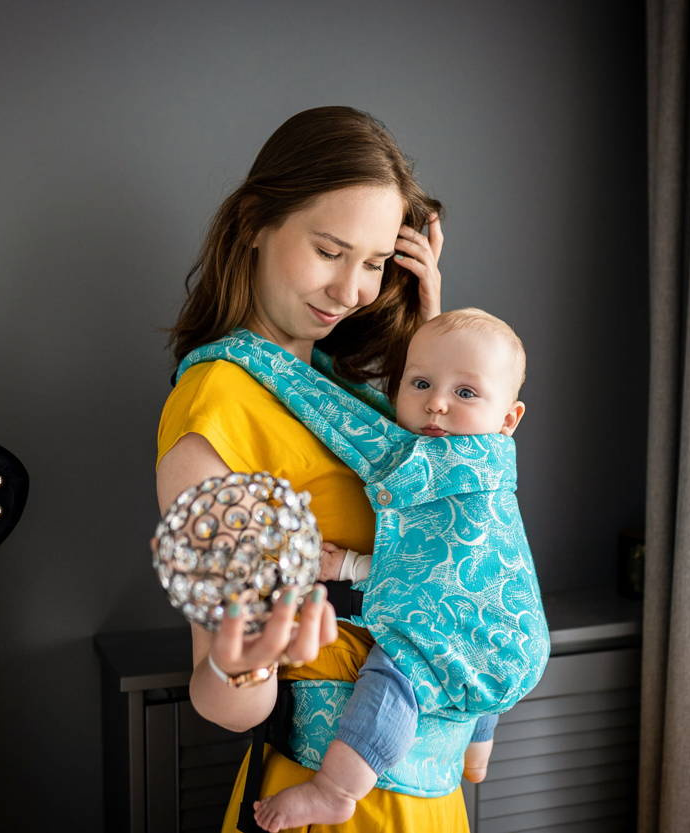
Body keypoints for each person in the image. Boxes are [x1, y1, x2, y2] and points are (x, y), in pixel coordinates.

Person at [155, 105, 461, 832]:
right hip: (330, 805)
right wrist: (248, 660)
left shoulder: (344, 394)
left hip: (426, 798)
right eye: (330, 250)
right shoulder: (216, 406)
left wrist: (433, 333)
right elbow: (226, 702)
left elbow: (458, 521)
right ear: (255, 223)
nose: (352, 291)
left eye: (375, 263)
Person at [250, 309, 531, 832]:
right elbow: (441, 571)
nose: (437, 403)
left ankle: (336, 790)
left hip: (466, 629)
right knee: (463, 653)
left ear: (508, 420)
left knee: (397, 672)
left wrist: (348, 564)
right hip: (508, 636)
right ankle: (477, 751)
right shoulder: (492, 473)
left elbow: (417, 574)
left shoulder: (439, 463)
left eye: (465, 393)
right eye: (420, 384)